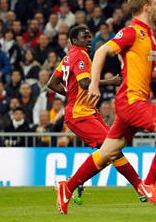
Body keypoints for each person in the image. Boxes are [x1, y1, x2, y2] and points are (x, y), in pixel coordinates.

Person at [56, 0, 156, 214]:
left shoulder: (150, 39)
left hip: (132, 104)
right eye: (154, 3)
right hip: (132, 102)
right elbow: (100, 52)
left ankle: (67, 188)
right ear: (146, 7)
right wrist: (95, 83)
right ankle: (148, 183)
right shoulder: (131, 32)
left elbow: (149, 72)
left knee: (108, 152)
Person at [47, 25, 149, 204]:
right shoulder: (80, 56)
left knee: (111, 151)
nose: (88, 39)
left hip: (87, 112)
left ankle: (74, 183)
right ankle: (140, 187)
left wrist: (70, 96)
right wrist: (111, 81)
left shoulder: (67, 57)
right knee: (112, 149)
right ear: (74, 41)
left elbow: (52, 83)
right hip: (80, 114)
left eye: (89, 36)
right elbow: (85, 83)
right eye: (84, 37)